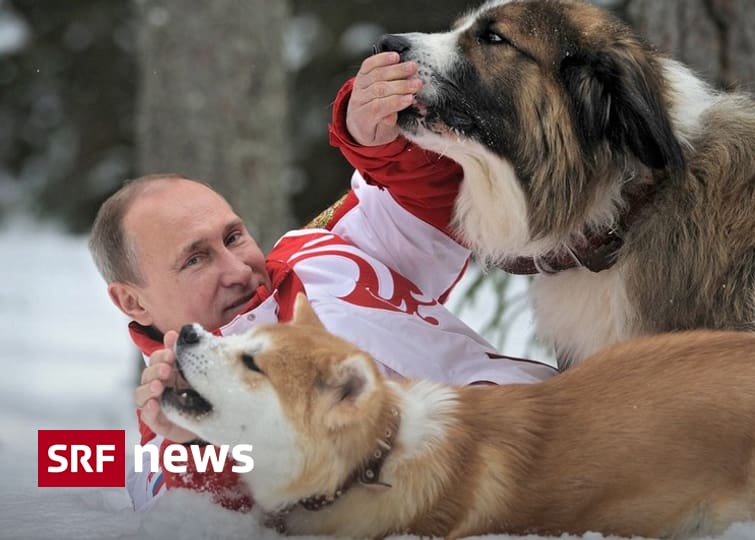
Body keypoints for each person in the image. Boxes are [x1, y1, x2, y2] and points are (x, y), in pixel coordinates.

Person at [89, 51, 557, 512]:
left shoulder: (318, 252)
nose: (236, 270)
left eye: (233, 236)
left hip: (563, 423)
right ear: (133, 301)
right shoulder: (169, 426)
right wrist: (195, 440)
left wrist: (370, 134)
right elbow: (210, 523)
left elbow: (435, 199)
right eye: (195, 260)